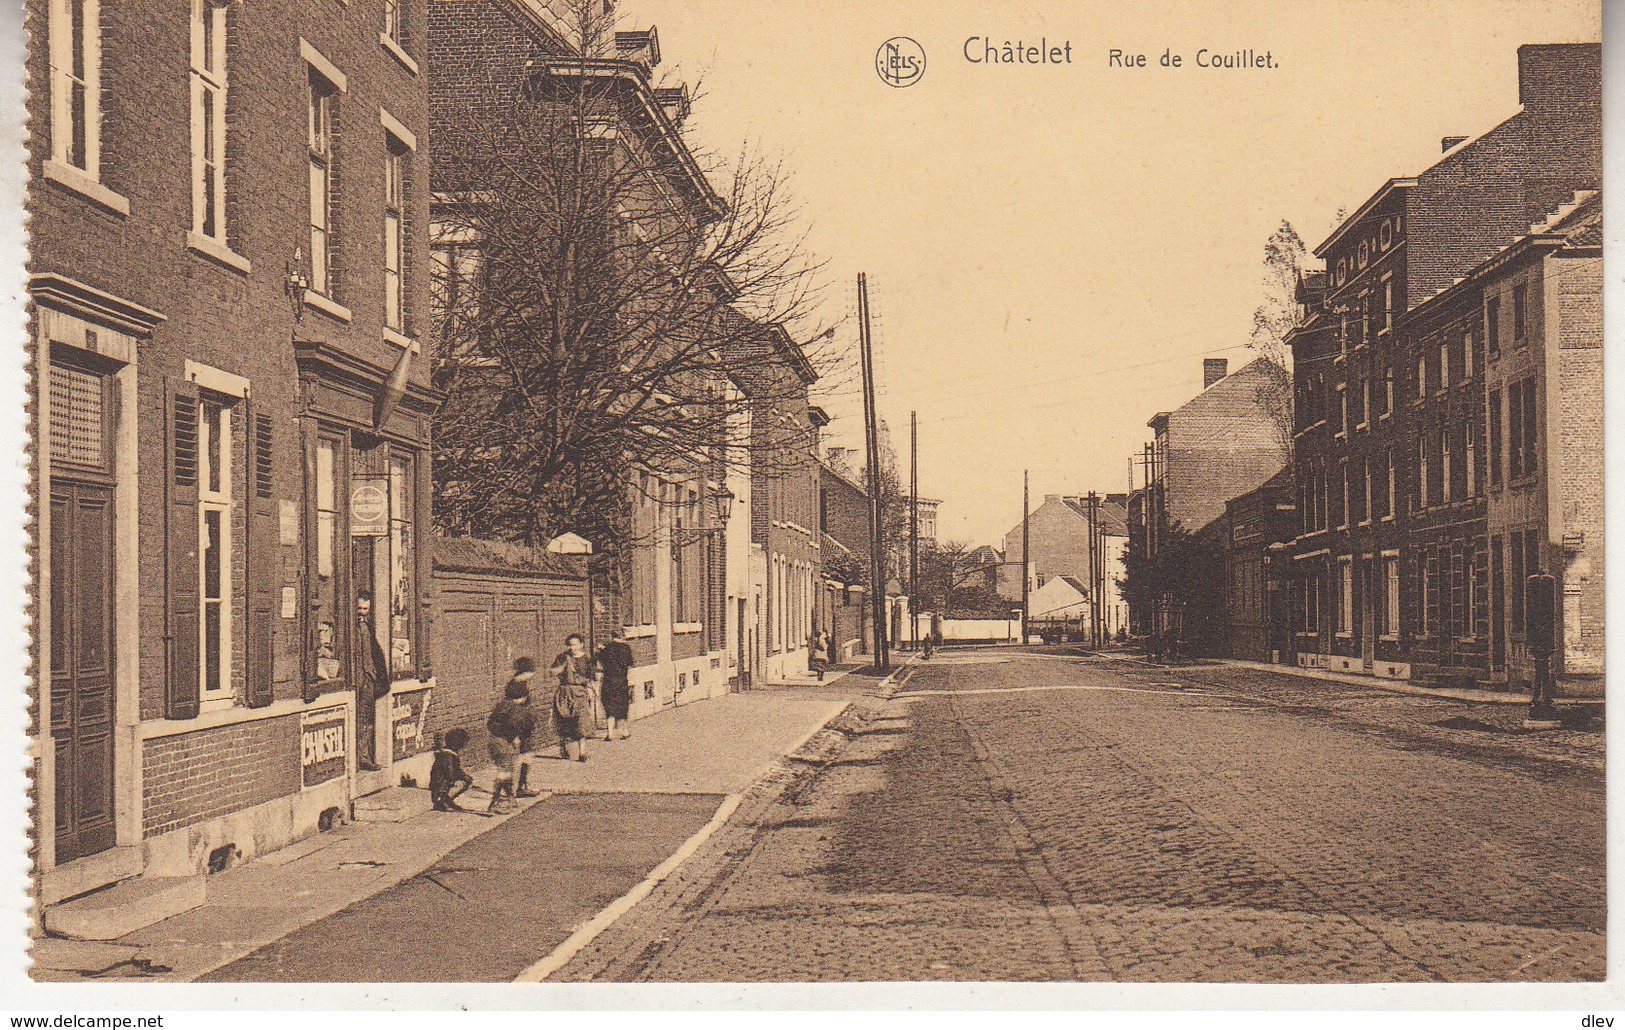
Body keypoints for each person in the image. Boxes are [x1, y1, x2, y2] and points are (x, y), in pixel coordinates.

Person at [485, 665, 537, 812]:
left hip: (495, 741)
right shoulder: (515, 711)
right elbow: (514, 726)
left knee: (506, 772)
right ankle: (495, 803)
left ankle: (509, 799)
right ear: (522, 698)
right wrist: (513, 737)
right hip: (502, 743)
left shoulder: (501, 705)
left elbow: (491, 724)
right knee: (504, 773)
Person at [354, 591, 390, 772]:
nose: (362, 613)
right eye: (359, 609)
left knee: (365, 719)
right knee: (359, 718)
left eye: (365, 609)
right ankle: (357, 757)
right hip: (355, 678)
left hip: (368, 678)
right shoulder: (349, 627)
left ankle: (363, 756)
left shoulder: (368, 626)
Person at [550, 634, 595, 762]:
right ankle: (564, 747)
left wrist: (591, 691)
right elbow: (553, 672)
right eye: (570, 644)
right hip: (565, 692)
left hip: (580, 692)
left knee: (582, 720)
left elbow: (590, 677)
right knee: (563, 720)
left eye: (574, 644)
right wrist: (562, 666)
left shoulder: (587, 659)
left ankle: (582, 752)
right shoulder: (562, 657)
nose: (572, 647)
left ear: (581, 644)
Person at [595, 628, 634, 741]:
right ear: (622, 636)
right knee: (622, 706)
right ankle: (624, 731)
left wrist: (600, 650)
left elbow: (598, 661)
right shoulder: (626, 648)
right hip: (622, 681)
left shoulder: (606, 649)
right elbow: (630, 663)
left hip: (608, 680)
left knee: (609, 706)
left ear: (611, 636)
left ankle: (610, 733)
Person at [429, 728, 474, 812]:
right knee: (462, 783)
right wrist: (464, 777)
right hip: (441, 786)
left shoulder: (445, 753)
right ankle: (443, 801)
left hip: (439, 784)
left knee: (464, 781)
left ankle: (447, 801)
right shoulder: (449, 755)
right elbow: (451, 773)